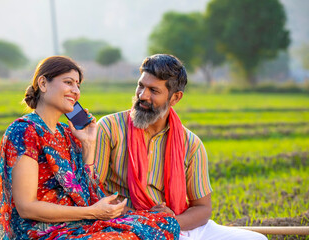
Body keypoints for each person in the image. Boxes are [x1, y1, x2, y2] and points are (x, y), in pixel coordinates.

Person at [0, 56, 181, 239]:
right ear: (43, 84)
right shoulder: (24, 131)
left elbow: (88, 188)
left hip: (77, 222)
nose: (76, 91)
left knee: (165, 222)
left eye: (78, 85)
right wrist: (92, 212)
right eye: (68, 82)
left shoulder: (67, 134)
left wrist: (88, 144)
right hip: (40, 230)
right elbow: (26, 208)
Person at [94, 54, 268, 240]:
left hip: (178, 221)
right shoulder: (109, 128)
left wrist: (170, 223)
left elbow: (202, 208)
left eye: (154, 90)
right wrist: (145, 219)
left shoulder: (191, 144)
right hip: (128, 222)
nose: (142, 95)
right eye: (141, 86)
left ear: (175, 98)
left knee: (257, 239)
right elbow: (93, 189)